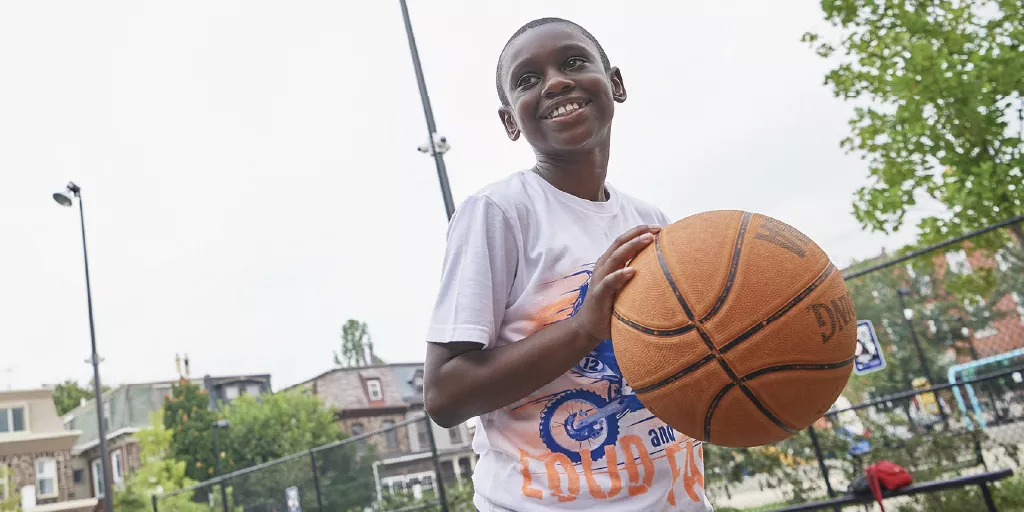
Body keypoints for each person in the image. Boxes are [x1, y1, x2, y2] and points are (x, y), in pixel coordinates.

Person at [423, 17, 713, 511]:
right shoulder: (498, 212)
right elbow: (444, 395)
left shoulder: (651, 219)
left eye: (574, 62)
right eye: (528, 79)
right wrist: (583, 328)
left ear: (615, 84)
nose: (556, 81)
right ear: (511, 120)